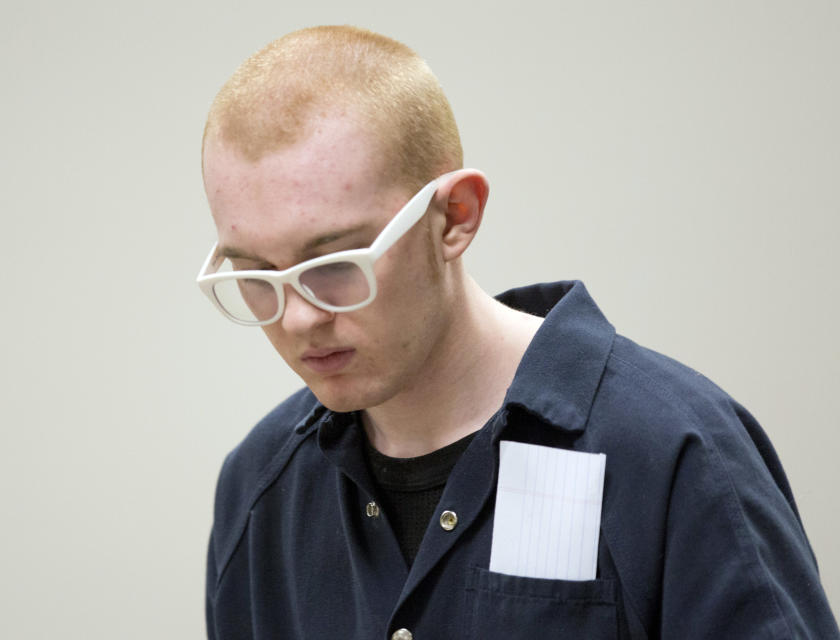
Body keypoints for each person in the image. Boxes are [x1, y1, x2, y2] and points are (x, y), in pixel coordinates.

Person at [198, 25, 838, 639]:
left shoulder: (670, 451)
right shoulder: (261, 488)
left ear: (455, 217)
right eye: (256, 275)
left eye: (337, 265)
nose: (299, 317)